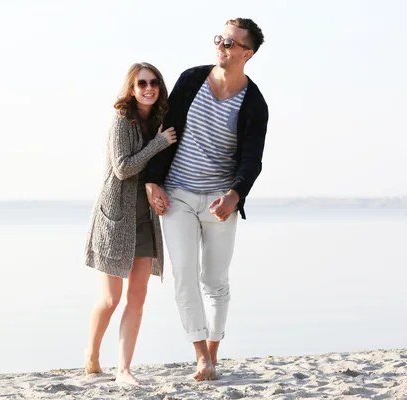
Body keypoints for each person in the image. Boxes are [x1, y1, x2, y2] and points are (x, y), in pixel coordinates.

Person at [144, 18, 269, 381]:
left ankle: (213, 351)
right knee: (183, 275)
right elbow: (163, 131)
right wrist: (153, 181)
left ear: (247, 53)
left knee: (214, 280)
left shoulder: (254, 103)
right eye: (219, 39)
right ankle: (200, 355)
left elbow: (251, 159)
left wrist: (234, 195)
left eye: (230, 43)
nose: (222, 46)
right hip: (178, 194)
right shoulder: (190, 80)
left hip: (220, 201)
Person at [83, 62, 177, 385]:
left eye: (154, 82)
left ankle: (124, 369)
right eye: (142, 83)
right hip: (115, 220)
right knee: (111, 299)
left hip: (146, 220)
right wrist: (158, 144)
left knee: (137, 296)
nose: (149, 88)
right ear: (131, 88)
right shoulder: (122, 120)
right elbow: (123, 168)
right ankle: (92, 356)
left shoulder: (160, 121)